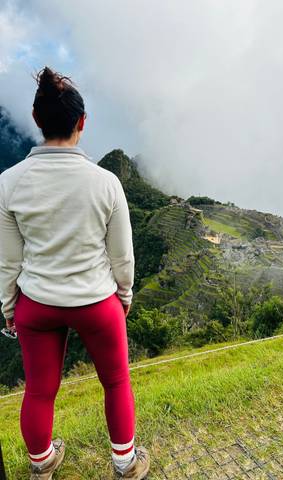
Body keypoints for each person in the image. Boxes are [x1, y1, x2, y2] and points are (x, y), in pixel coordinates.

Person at [0, 66, 150, 479]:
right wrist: (124, 295)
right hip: (95, 302)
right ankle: (125, 462)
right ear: (82, 122)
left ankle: (42, 463)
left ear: (35, 120)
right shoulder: (105, 183)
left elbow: (9, 260)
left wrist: (9, 307)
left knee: (39, 390)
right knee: (116, 382)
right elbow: (122, 256)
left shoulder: (8, 183)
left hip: (37, 304)